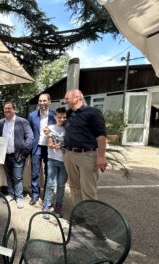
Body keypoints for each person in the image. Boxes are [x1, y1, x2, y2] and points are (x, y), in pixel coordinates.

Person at [63, 89, 107, 240]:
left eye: (67, 98)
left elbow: (101, 135)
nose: (65, 100)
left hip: (87, 155)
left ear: (78, 97)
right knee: (74, 188)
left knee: (88, 191)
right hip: (69, 154)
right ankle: (79, 216)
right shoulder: (69, 114)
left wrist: (101, 156)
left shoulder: (93, 112)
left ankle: (92, 222)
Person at [0, 102, 34, 209]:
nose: (7, 110)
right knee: (8, 176)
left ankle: (19, 197)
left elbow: (30, 138)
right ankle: (11, 194)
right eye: (5, 108)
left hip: (18, 155)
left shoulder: (23, 122)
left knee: (17, 178)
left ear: (14, 109)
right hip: (5, 155)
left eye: (9, 108)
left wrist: (24, 154)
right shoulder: (0, 123)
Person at [28, 93, 55, 206]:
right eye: (40, 101)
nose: (42, 103)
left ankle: (47, 197)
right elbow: (28, 132)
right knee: (35, 173)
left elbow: (61, 129)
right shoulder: (32, 115)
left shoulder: (55, 115)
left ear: (49, 102)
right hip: (36, 147)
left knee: (49, 173)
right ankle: (35, 195)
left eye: (44, 101)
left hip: (50, 148)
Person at [41, 107, 67, 219]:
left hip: (65, 161)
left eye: (64, 117)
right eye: (59, 117)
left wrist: (60, 146)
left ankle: (58, 207)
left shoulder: (68, 129)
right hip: (52, 159)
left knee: (61, 185)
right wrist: (58, 146)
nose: (61, 119)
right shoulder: (50, 128)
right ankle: (46, 206)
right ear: (55, 117)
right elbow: (50, 144)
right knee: (50, 184)